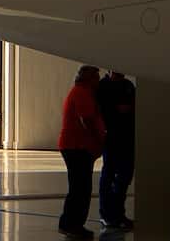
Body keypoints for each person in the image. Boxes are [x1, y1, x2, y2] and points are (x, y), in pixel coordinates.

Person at [58, 66, 105, 239]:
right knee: (80, 189)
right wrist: (98, 140)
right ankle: (72, 225)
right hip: (77, 146)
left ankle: (71, 224)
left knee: (79, 188)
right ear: (89, 78)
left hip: (77, 146)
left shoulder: (81, 92)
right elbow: (87, 120)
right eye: (96, 77)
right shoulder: (82, 93)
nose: (98, 81)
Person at [96, 71, 137, 230]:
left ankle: (118, 213)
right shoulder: (103, 86)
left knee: (125, 176)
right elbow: (100, 110)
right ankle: (106, 214)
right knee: (109, 175)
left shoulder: (128, 86)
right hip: (111, 138)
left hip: (127, 138)